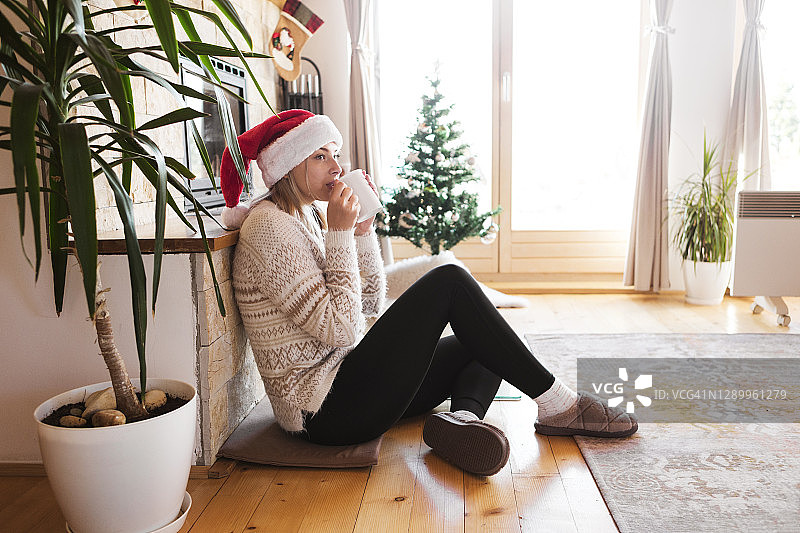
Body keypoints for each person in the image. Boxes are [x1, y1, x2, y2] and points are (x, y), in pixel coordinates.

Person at [220, 110, 637, 477]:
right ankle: (559, 404)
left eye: (334, 153)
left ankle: (462, 422)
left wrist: (362, 234)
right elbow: (343, 330)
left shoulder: (305, 216)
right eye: (320, 156)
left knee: (486, 339)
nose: (336, 165)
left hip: (348, 383)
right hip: (323, 412)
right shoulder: (269, 228)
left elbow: (367, 307)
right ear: (289, 167)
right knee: (450, 281)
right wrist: (340, 232)